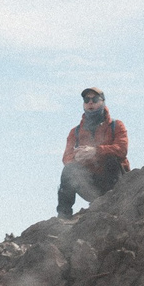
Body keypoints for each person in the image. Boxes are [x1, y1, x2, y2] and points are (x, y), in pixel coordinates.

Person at [57, 88, 130, 218]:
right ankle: (64, 216)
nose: (90, 103)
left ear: (103, 102)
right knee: (69, 170)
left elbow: (122, 149)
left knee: (111, 159)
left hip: (116, 182)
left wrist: (96, 151)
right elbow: (66, 158)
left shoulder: (116, 125)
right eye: (86, 100)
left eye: (95, 99)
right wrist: (78, 157)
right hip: (90, 184)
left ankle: (113, 207)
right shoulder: (76, 132)